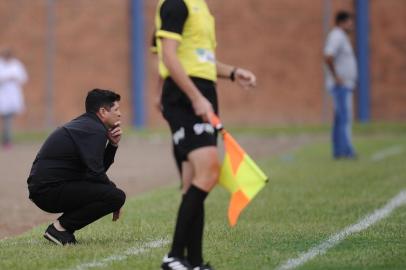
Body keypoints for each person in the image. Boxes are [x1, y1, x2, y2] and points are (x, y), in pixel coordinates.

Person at [153, 1, 257, 269]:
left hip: (201, 91)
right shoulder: (176, 4)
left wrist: (233, 73)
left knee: (193, 182)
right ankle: (174, 256)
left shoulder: (201, 7)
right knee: (209, 171)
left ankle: (194, 262)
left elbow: (202, 60)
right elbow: (168, 56)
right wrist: (195, 97)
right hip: (185, 96)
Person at [27, 89, 126, 245]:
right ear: (102, 111)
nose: (120, 114)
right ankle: (59, 228)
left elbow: (95, 170)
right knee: (117, 196)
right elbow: (96, 173)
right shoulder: (94, 130)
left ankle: (61, 229)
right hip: (49, 190)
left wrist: (112, 145)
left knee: (112, 194)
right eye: (116, 109)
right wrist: (114, 195)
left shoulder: (89, 126)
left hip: (48, 187)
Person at [324, 11, 358, 159]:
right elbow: (328, 56)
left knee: (340, 119)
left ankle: (339, 151)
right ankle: (346, 151)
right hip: (340, 87)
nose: (351, 25)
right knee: (345, 119)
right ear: (342, 22)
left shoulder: (341, 37)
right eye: (349, 22)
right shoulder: (337, 35)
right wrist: (336, 77)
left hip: (344, 86)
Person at [0, 48, 28, 149]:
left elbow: (23, 78)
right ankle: (6, 140)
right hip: (2, 96)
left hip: (12, 97)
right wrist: (6, 78)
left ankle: (7, 140)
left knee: (8, 119)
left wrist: (14, 78)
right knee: (6, 120)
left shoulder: (16, 65)